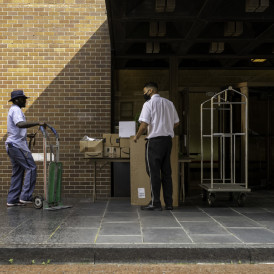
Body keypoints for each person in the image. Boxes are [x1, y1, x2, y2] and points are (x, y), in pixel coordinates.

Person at [134, 82, 179, 211]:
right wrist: (165, 127)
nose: (144, 94)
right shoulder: (169, 103)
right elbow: (176, 122)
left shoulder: (149, 104)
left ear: (151, 91)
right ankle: (169, 203)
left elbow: (143, 125)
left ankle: (155, 202)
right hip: (167, 141)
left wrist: (137, 136)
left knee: (153, 173)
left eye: (144, 91)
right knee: (166, 172)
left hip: (154, 142)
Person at [5, 90, 46, 207]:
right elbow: (20, 124)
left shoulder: (14, 110)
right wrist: (37, 123)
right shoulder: (16, 110)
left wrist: (27, 135)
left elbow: (15, 130)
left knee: (18, 172)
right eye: (23, 99)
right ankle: (25, 197)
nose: (25, 101)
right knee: (31, 168)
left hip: (13, 145)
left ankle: (12, 200)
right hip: (17, 146)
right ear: (17, 100)